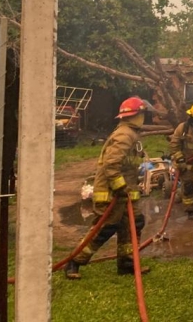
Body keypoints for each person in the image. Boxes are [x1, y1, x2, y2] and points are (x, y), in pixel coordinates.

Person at [65, 96, 154, 280]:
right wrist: (120, 187)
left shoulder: (130, 133)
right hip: (112, 193)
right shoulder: (124, 135)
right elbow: (111, 165)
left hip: (125, 195)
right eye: (143, 114)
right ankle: (74, 261)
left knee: (133, 224)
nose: (144, 118)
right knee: (104, 229)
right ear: (136, 115)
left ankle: (126, 263)